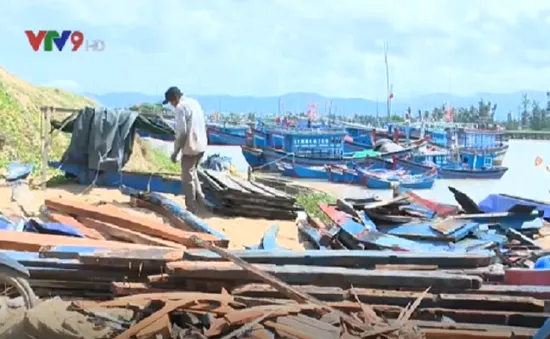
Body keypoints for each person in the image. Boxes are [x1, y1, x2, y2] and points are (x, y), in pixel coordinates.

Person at [163, 86, 208, 214]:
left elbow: (182, 133)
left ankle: (191, 207)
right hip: (202, 144)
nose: (171, 105)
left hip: (191, 146)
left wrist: (176, 151)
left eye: (171, 102)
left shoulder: (180, 108)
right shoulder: (194, 102)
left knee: (187, 177)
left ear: (175, 98)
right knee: (193, 172)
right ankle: (201, 201)